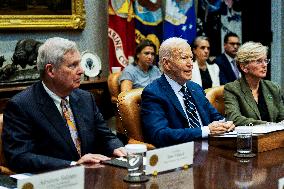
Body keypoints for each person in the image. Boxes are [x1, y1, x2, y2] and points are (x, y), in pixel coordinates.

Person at [2, 37, 126, 173]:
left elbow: (105, 136)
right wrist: (72, 165)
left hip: (92, 177)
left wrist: (117, 148)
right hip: (53, 181)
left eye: (80, 64)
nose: (81, 70)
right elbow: (20, 157)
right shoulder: (22, 105)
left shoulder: (85, 98)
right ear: (51, 71)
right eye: (73, 65)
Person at [141, 37, 235, 148]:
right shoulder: (153, 93)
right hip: (180, 156)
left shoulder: (196, 88)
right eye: (184, 58)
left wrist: (226, 123)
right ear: (167, 63)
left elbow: (215, 116)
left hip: (211, 148)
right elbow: (160, 135)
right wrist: (205, 131)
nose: (190, 64)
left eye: (191, 58)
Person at [224, 41, 284, 126]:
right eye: (259, 61)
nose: (264, 65)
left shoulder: (273, 88)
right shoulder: (232, 89)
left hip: (274, 137)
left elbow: (282, 118)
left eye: (265, 60)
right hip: (249, 138)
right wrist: (268, 125)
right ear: (244, 67)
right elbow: (235, 119)